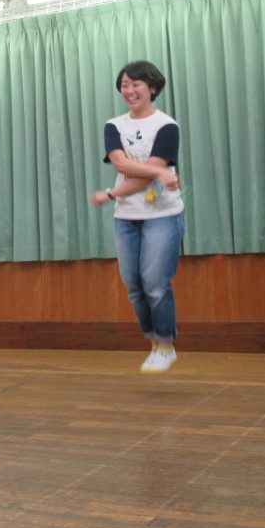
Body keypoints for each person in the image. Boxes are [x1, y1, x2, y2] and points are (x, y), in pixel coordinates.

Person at [91, 61, 184, 373]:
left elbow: (142, 179)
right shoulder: (114, 125)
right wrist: (160, 171)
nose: (129, 90)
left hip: (163, 215)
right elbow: (121, 164)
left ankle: (166, 345)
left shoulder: (166, 126)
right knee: (134, 286)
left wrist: (110, 194)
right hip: (126, 217)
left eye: (136, 84)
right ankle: (154, 342)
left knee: (155, 284)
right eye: (124, 85)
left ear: (152, 88)